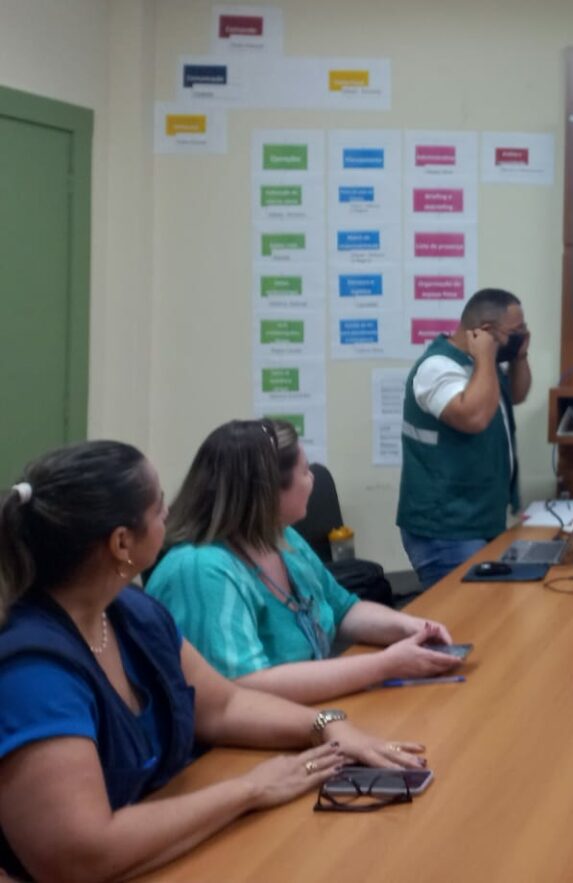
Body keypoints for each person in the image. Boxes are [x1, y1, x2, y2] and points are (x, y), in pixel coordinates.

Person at [0, 441, 423, 882]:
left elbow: (223, 705)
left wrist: (326, 725)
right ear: (121, 542)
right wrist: (250, 789)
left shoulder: (130, 613)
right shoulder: (33, 672)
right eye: (158, 504)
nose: (168, 513)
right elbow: (83, 855)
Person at [148, 420, 461, 704]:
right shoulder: (200, 570)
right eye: (306, 471)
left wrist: (411, 628)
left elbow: (344, 609)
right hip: (238, 745)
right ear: (269, 492)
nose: (313, 480)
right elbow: (243, 690)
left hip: (307, 715)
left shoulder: (280, 537)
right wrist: (385, 665)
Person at [397, 288, 531, 588]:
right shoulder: (438, 368)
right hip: (446, 530)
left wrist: (519, 355)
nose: (522, 335)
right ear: (484, 331)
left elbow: (517, 395)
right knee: (468, 619)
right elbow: (474, 417)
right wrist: (485, 358)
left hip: (480, 520)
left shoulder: (484, 366)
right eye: (515, 332)